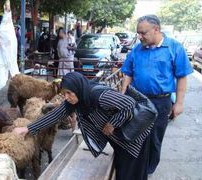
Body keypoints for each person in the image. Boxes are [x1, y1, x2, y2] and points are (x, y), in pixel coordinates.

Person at [13, 72, 152, 180]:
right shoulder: (76, 100)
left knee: (132, 175)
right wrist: (28, 128)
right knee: (122, 171)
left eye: (69, 93)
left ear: (78, 88)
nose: (66, 97)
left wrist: (112, 123)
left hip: (134, 138)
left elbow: (129, 104)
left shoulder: (99, 95)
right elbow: (54, 115)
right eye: (64, 94)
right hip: (120, 139)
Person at [121, 15, 193, 175]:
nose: (139, 36)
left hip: (160, 102)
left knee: (154, 138)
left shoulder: (174, 48)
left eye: (142, 33)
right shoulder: (137, 50)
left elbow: (182, 77)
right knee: (135, 135)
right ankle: (135, 167)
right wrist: (123, 96)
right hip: (137, 100)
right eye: (137, 33)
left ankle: (147, 170)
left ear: (156, 29)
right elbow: (128, 74)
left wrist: (179, 103)